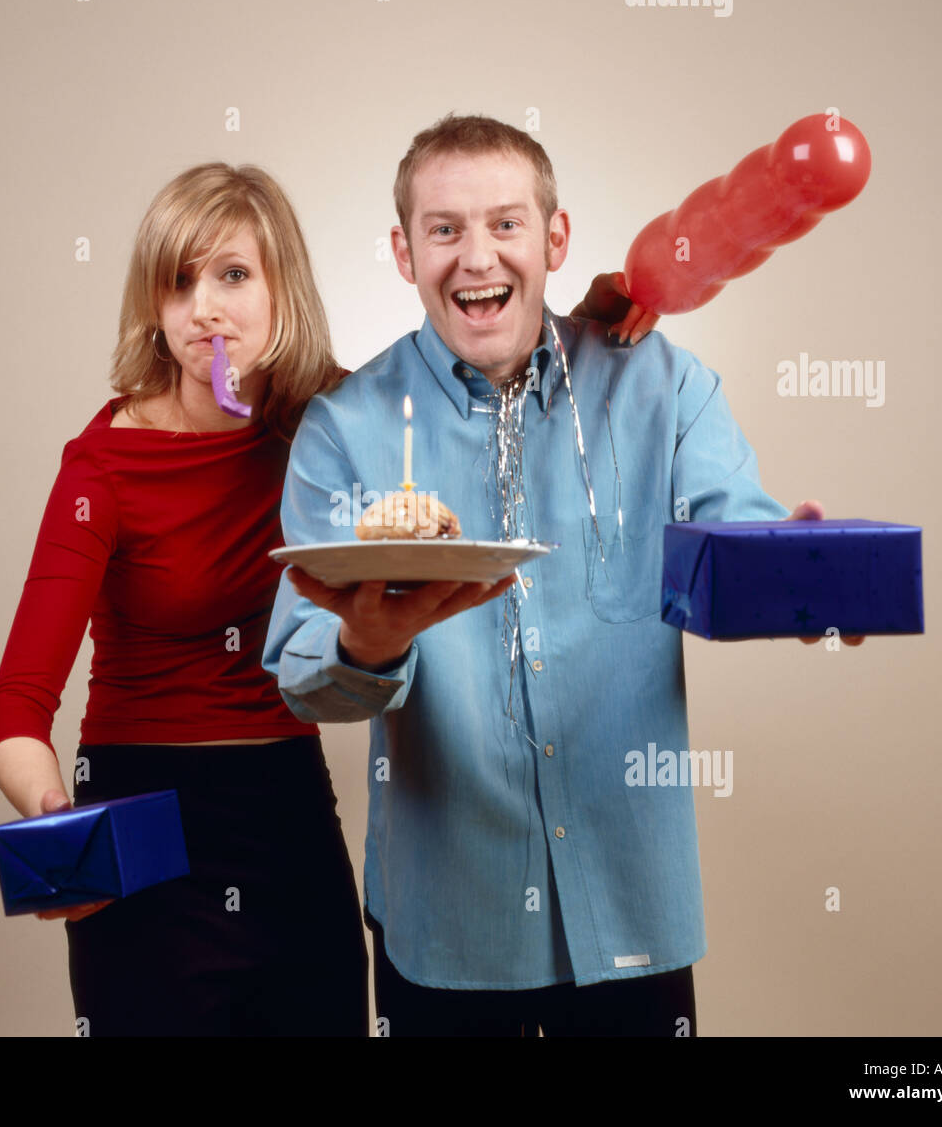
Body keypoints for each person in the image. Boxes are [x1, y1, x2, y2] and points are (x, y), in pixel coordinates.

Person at [262, 114, 862, 1038]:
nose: (476, 257)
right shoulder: (346, 429)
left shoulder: (664, 387)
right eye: (444, 228)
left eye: (506, 223)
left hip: (634, 914)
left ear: (556, 237)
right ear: (402, 249)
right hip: (447, 931)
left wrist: (808, 577)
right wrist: (365, 645)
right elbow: (307, 677)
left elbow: (737, 545)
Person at [0, 162, 367, 1036]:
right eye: (178, 282)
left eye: (232, 275)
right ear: (153, 307)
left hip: (286, 809)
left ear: (282, 288)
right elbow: (14, 706)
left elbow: (466, 370)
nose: (205, 309)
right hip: (140, 814)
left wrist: (598, 318)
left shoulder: (335, 421)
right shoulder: (104, 465)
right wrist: (59, 828)